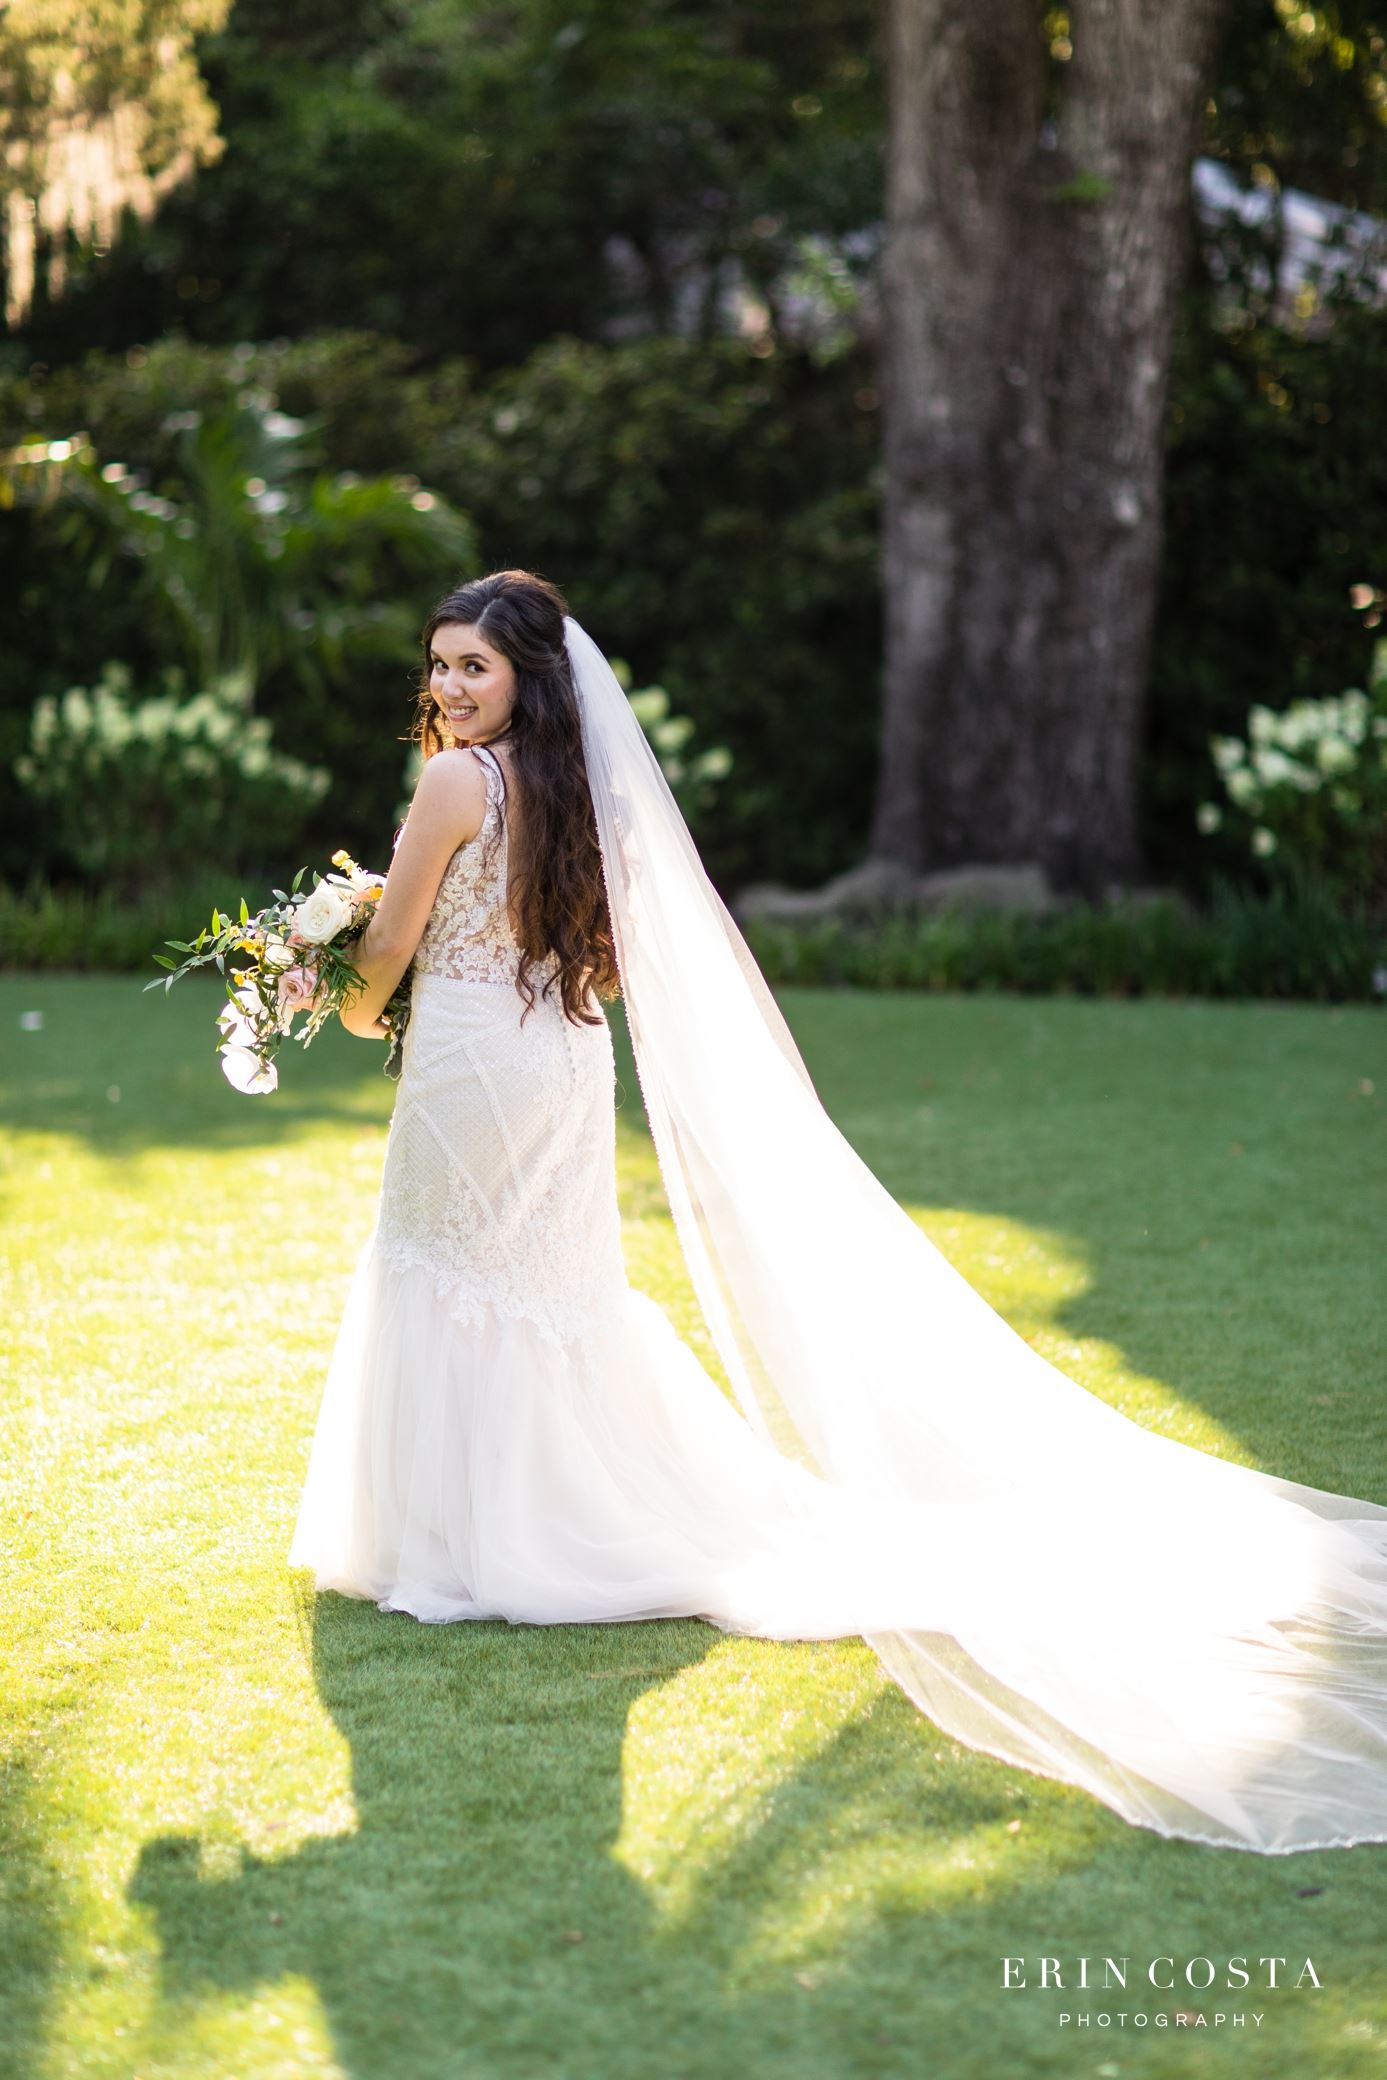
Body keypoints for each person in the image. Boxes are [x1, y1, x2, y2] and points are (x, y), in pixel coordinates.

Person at [290, 568, 1387, 1857]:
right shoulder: (577, 787)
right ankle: (512, 1519)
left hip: (476, 1068)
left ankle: (465, 1539)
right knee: (543, 1289)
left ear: (528, 670)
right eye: (439, 665)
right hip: (565, 1061)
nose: (450, 687)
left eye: (473, 664)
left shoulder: (449, 785)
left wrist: (337, 986)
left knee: (450, 1272)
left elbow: (391, 961)